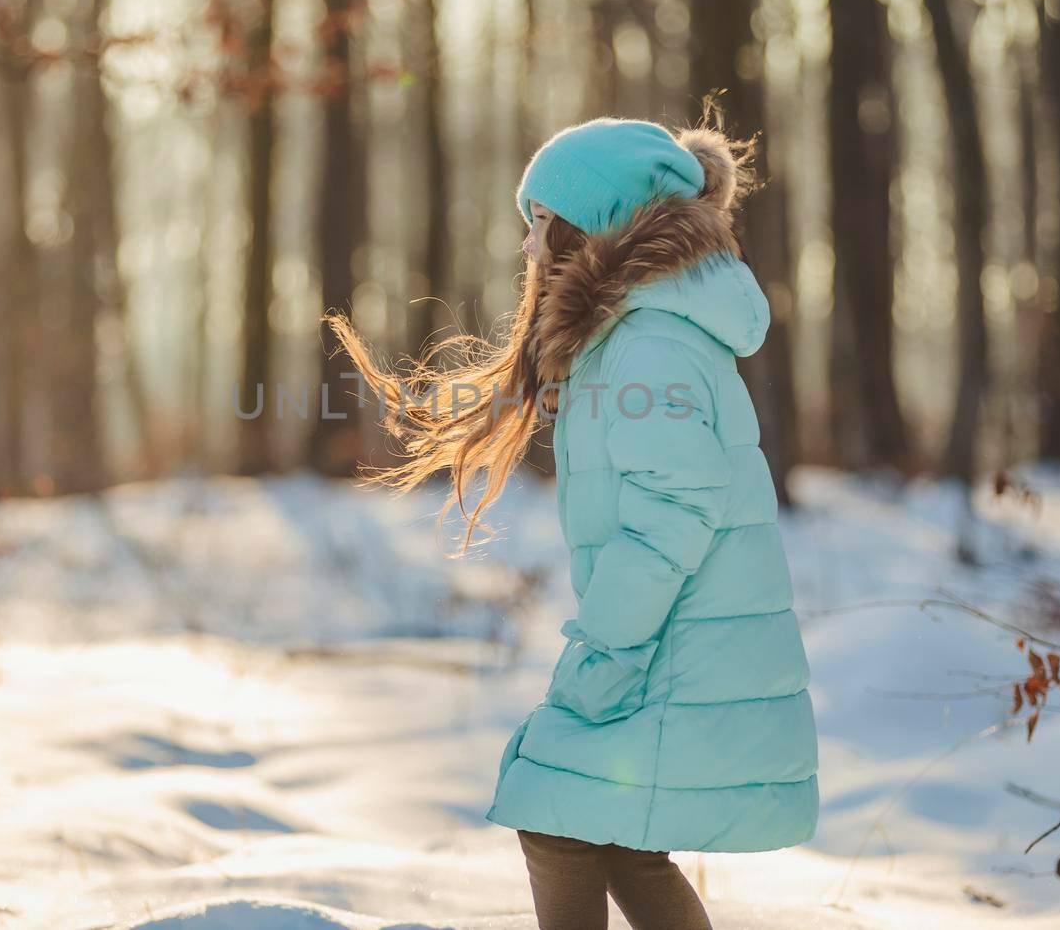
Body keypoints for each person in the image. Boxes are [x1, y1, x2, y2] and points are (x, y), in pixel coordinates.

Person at [325, 115, 819, 930]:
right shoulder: (636, 333)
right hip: (676, 637)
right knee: (600, 829)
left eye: (541, 224)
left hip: (671, 645)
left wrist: (608, 650)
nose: (527, 249)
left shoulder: (649, 343)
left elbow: (674, 513)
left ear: (588, 229)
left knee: (557, 809)